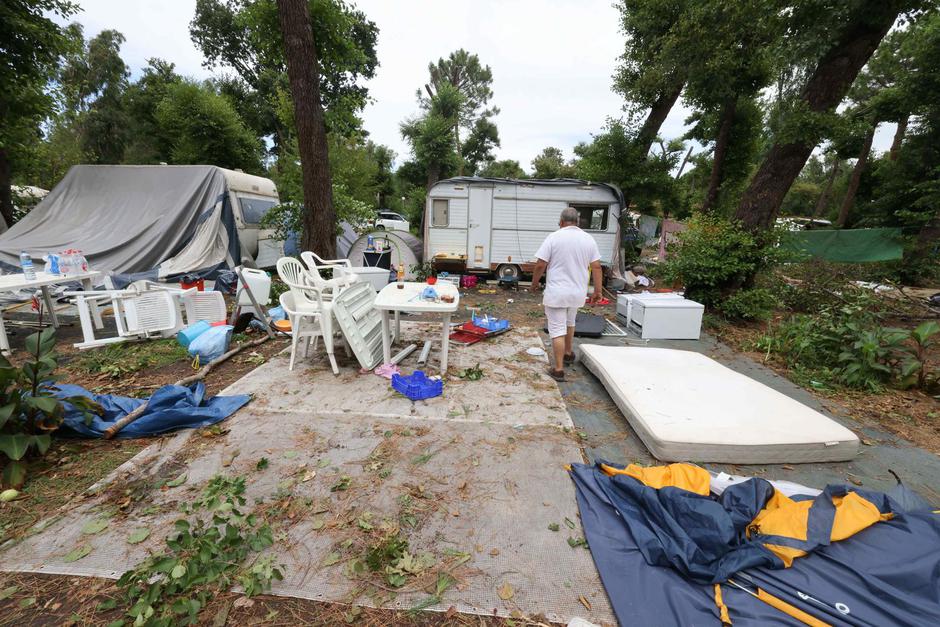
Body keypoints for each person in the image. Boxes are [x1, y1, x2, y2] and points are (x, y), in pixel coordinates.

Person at [530, 207, 603, 381]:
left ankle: (558, 369)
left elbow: (540, 264)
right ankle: (569, 353)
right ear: (577, 222)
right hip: (577, 293)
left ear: (561, 222)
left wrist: (534, 284)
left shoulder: (554, 237)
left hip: (557, 293)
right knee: (570, 323)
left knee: (556, 329)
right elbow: (597, 267)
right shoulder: (588, 239)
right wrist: (598, 291)